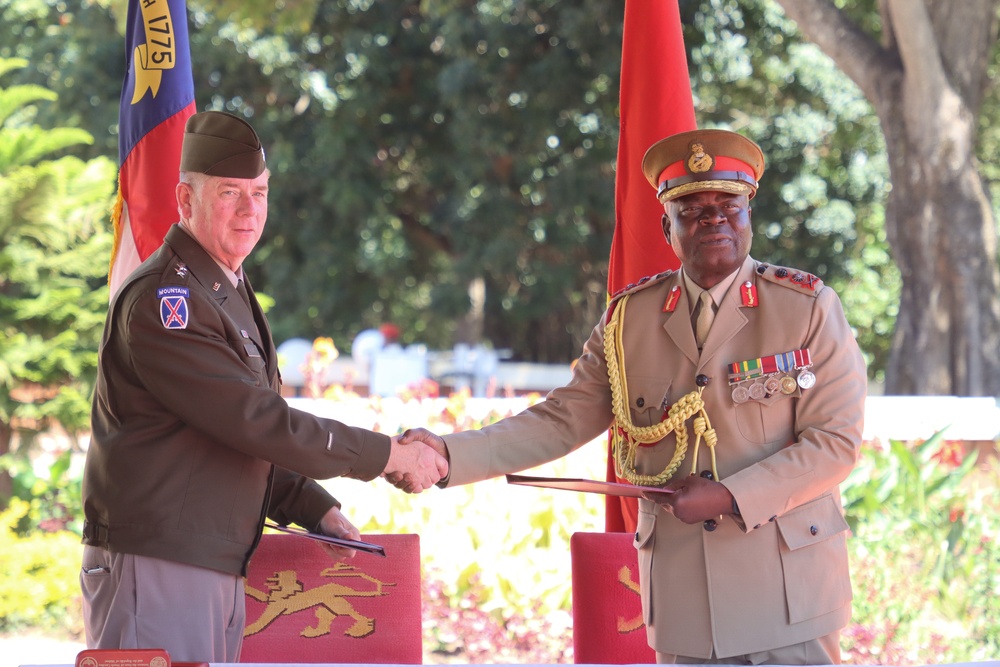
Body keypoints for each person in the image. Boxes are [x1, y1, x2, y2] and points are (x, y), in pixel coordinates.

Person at [393, 128, 867, 664]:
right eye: (692, 209)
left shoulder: (807, 307)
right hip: (684, 602)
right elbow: (562, 418)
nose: (713, 219)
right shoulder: (629, 319)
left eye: (728, 206)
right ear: (668, 227)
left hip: (785, 599)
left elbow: (834, 443)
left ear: (749, 218)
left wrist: (732, 495)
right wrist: (450, 454)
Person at [80, 111, 447, 662]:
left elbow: (237, 435)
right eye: (230, 193)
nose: (251, 210)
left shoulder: (222, 287)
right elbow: (252, 418)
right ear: (185, 201)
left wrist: (313, 506)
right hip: (161, 562)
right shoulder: (166, 302)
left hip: (204, 559)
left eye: (260, 192)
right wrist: (386, 453)